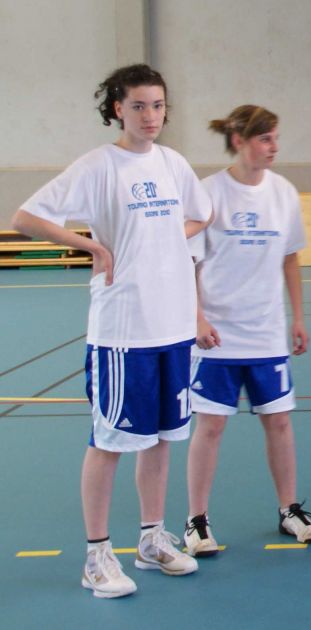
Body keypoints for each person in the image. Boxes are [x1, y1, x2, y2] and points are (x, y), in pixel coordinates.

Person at [11, 64, 210, 598]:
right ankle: (97, 555)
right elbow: (25, 217)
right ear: (118, 109)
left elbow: (202, 214)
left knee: (162, 439)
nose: (150, 116)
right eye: (139, 106)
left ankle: (151, 540)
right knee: (110, 440)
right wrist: (92, 246)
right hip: (124, 331)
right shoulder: (99, 165)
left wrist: (164, 239)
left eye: (158, 105)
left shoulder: (173, 163)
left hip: (172, 327)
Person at [184, 105, 311, 557]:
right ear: (239, 141)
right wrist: (197, 318)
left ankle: (289, 510)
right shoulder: (208, 193)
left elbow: (290, 258)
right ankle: (197, 521)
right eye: (265, 139)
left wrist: (298, 317)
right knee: (210, 427)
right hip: (218, 337)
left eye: (275, 138)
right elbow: (190, 262)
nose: (273, 147)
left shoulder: (282, 192)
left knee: (279, 423)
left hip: (266, 334)